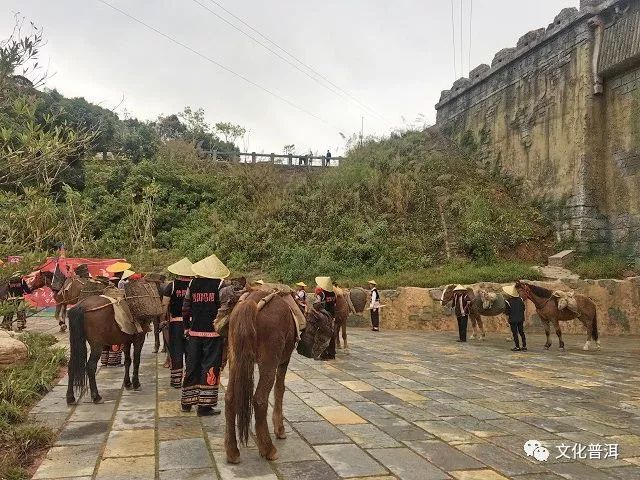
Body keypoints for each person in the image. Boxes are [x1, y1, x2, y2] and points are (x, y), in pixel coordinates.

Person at [181, 254, 229, 416]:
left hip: (194, 332)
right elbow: (224, 310)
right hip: (213, 334)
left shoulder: (193, 284)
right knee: (209, 366)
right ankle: (204, 406)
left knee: (192, 365)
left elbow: (185, 308)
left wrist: (186, 327)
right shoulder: (221, 285)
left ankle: (187, 402)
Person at [161, 258, 195, 388]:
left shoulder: (172, 285)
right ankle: (189, 379)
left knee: (176, 351)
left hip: (176, 323)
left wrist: (163, 319)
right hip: (192, 323)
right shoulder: (194, 285)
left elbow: (165, 304)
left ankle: (176, 381)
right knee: (190, 352)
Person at [102, 261, 132, 367]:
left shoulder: (108, 281)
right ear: (121, 272)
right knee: (121, 329)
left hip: (107, 304)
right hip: (118, 306)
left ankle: (104, 358)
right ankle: (113, 361)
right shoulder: (122, 282)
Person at [315, 276, 336, 360]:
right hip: (331, 316)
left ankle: (324, 355)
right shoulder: (333, 294)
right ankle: (332, 354)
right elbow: (334, 305)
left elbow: (317, 304)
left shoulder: (321, 294)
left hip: (324, 316)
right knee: (331, 335)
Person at [503, 285, 527, 352]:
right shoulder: (521, 299)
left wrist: (507, 321)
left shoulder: (507, 301)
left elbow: (507, 313)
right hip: (520, 318)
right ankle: (524, 346)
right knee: (522, 332)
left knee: (515, 333)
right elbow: (523, 309)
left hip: (512, 320)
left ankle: (517, 346)